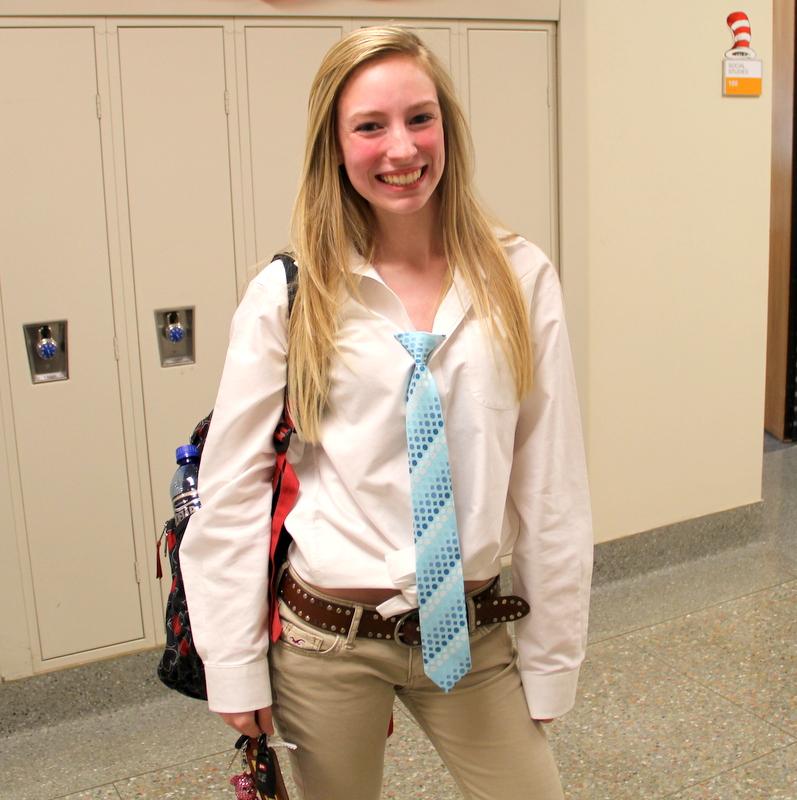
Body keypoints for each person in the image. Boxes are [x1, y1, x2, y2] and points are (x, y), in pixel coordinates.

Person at [180, 25, 592, 800]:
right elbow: (232, 486)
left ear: (448, 129)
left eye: (419, 118)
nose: (400, 148)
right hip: (326, 641)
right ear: (335, 147)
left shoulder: (520, 275)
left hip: (469, 631)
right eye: (369, 126)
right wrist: (231, 662)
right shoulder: (289, 293)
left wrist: (551, 660)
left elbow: (550, 483)